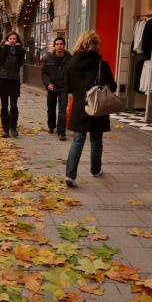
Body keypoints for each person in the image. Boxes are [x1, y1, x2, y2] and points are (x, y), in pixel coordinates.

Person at [65, 31, 117, 187]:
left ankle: (70, 175)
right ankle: (95, 170)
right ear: (96, 46)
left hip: (80, 106)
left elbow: (68, 87)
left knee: (78, 139)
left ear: (80, 44)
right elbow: (112, 87)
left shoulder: (72, 63)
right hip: (97, 107)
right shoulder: (102, 64)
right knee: (96, 139)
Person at [0, 31, 25, 138]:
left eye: (14, 39)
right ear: (7, 39)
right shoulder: (2, 48)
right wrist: (6, 48)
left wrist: (17, 50)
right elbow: (1, 61)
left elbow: (19, 63)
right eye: (10, 39)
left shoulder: (20, 50)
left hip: (14, 80)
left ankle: (13, 127)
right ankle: (5, 129)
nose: (12, 41)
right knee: (4, 105)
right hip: (3, 79)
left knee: (13, 104)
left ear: (17, 41)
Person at [41, 37, 72, 141]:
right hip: (52, 88)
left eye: (61, 44)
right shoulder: (48, 58)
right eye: (57, 44)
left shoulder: (69, 58)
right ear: (54, 46)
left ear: (64, 46)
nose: (59, 46)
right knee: (51, 109)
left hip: (64, 87)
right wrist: (48, 84)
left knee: (62, 110)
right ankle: (51, 126)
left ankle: (61, 132)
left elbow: (72, 72)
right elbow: (44, 73)